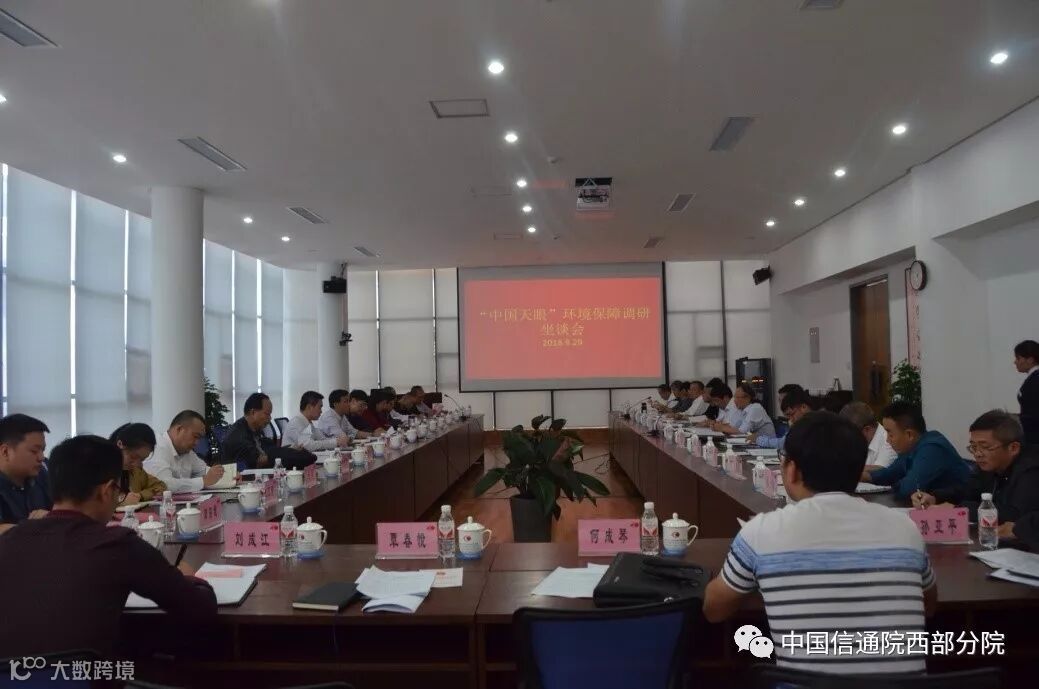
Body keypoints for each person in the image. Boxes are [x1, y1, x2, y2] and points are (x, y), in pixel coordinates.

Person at [702, 411, 936, 674]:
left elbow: (714, 610)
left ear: (791, 470)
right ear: (858, 470)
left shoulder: (762, 531)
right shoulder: (906, 529)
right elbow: (928, 605)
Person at [0, 435, 217, 657]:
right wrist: (190, 579)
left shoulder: (10, 540)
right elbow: (199, 608)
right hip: (83, 674)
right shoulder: (117, 545)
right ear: (107, 491)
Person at [913, 410, 1039, 545]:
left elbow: (1015, 515)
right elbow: (966, 491)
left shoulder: (1031, 470)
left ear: (1013, 448)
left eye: (985, 447)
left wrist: (959, 510)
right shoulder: (988, 466)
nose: (978, 454)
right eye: (973, 446)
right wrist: (935, 497)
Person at [860, 402, 970, 501]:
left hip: (963, 511)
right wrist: (861, 476)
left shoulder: (932, 448)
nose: (887, 440)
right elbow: (889, 473)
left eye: (890, 434)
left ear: (909, 435)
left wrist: (895, 484)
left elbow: (908, 490)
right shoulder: (912, 448)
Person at [143, 410, 224, 494]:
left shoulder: (186, 451)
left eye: (199, 438)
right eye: (195, 436)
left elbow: (204, 471)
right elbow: (163, 485)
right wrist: (203, 481)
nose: (197, 443)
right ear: (179, 429)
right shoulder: (157, 446)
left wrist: (226, 475)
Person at [0, 414, 52, 534]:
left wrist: (51, 517)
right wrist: (33, 526)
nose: (41, 457)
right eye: (34, 451)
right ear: (5, 452)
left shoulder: (43, 473)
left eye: (42, 450)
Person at [109, 423, 166, 506]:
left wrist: (140, 496)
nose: (137, 464)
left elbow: (160, 486)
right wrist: (119, 501)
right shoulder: (99, 469)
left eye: (142, 460)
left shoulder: (136, 471)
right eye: (133, 457)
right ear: (120, 444)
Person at [221, 392, 274, 470]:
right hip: (242, 475)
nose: (270, 418)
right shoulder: (238, 436)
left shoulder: (254, 428)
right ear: (253, 412)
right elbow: (257, 461)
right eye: (267, 414)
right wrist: (283, 455)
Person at [282, 391, 350, 452]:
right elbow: (308, 445)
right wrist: (336, 442)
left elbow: (322, 439)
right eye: (320, 407)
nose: (321, 411)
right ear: (309, 407)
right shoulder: (296, 423)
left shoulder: (308, 423)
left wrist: (338, 441)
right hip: (292, 461)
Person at [840, 401, 898, 469]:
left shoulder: (890, 441)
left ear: (867, 430)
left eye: (850, 435)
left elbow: (880, 471)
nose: (847, 439)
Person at [1015, 340, 1039, 445]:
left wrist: (1017, 419)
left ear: (1030, 360)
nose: (1015, 362)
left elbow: (1034, 413)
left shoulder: (1036, 380)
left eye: (1018, 358)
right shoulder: (1033, 378)